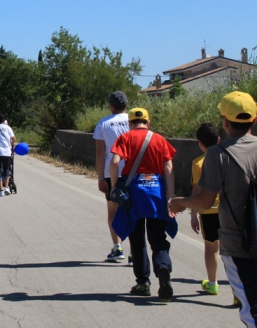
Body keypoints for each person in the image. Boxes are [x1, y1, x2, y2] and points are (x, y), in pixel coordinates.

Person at [170, 91, 257, 326]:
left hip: (238, 244)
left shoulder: (219, 154)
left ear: (225, 122)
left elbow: (205, 200)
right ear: (254, 120)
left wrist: (180, 202)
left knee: (251, 309)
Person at [110, 107, 177, 302]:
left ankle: (143, 283)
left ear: (130, 123)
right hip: (156, 192)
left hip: (134, 194)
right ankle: (163, 267)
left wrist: (115, 187)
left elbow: (114, 162)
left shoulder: (125, 138)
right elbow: (169, 167)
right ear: (148, 122)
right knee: (157, 238)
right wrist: (170, 197)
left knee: (137, 239)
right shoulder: (159, 139)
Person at [93, 91, 130, 262]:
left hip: (111, 172)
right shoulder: (134, 121)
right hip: (132, 172)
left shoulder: (103, 124)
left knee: (113, 211)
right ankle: (135, 251)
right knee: (133, 211)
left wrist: (100, 177)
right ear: (126, 105)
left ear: (110, 105)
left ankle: (118, 247)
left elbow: (100, 153)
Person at [187, 122, 222, 296]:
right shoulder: (227, 157)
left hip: (208, 210)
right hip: (229, 210)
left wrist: (193, 215)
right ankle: (238, 290)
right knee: (233, 250)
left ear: (200, 143)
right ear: (219, 139)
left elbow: (196, 190)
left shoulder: (198, 163)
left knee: (211, 248)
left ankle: (213, 283)